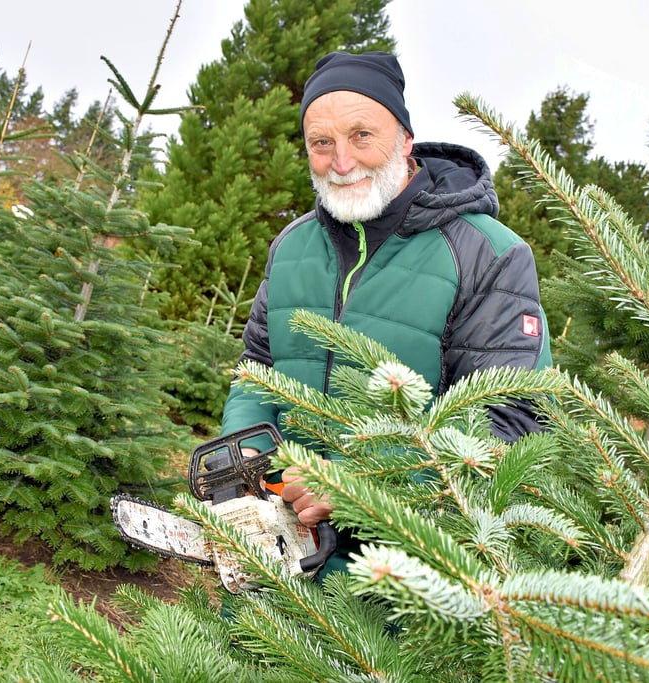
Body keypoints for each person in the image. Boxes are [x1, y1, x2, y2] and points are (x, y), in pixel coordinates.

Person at [219, 51, 552, 577]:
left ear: (404, 140)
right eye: (321, 143)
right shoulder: (292, 247)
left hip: (409, 583)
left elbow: (507, 425)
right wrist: (247, 468)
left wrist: (357, 488)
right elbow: (256, 370)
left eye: (361, 136)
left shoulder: (489, 254)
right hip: (281, 558)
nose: (342, 162)